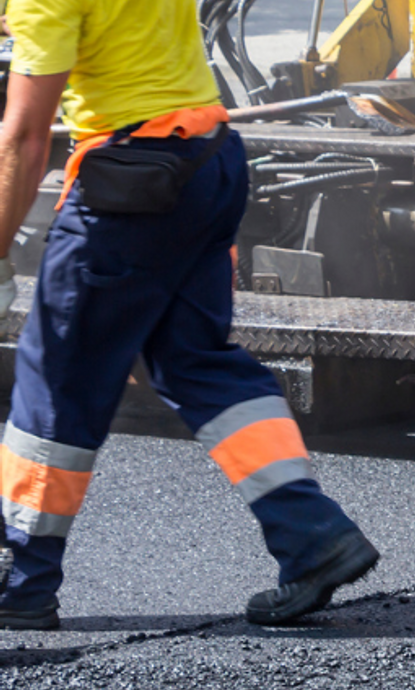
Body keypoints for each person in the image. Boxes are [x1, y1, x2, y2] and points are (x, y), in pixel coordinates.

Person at [0, 0, 378, 630]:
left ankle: (24, 580)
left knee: (59, 377)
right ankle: (312, 535)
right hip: (211, 161)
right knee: (193, 360)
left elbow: (24, 134)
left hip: (133, 184)